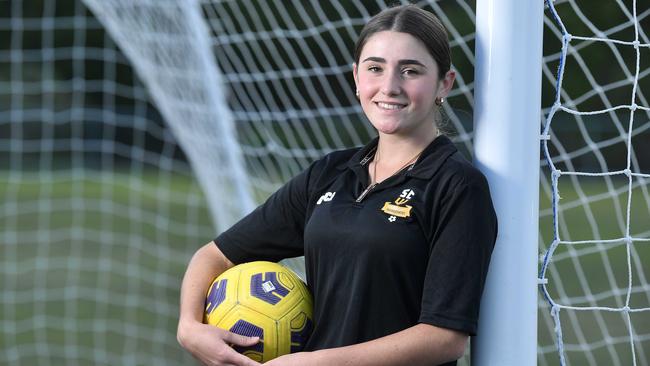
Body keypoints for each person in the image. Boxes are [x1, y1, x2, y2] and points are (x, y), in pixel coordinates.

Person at [177, 4, 497, 366]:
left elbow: (444, 338)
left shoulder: (457, 186)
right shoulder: (330, 173)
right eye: (375, 68)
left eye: (410, 71)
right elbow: (215, 256)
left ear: (444, 83)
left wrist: (317, 363)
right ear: (357, 77)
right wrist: (189, 326)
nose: (389, 86)